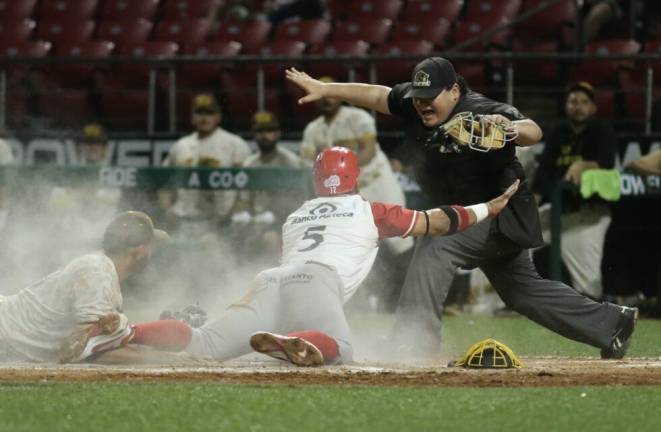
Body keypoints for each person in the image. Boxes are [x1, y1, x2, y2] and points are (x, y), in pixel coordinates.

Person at [285, 57, 638, 361]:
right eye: (418, 96)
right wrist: (326, 88)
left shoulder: (481, 109)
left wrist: (508, 128)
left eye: (430, 97)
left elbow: (534, 131)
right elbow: (379, 95)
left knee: (436, 242)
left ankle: (414, 341)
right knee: (522, 291)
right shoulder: (416, 101)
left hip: (501, 212)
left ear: (454, 90)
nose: (422, 104)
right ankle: (612, 323)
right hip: (472, 213)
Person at [130, 147, 520, 366]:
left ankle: (124, 332)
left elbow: (288, 271)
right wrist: (488, 208)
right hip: (316, 280)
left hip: (269, 280)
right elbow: (437, 222)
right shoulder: (371, 210)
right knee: (340, 347)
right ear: (355, 176)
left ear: (317, 179)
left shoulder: (296, 215)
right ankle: (294, 341)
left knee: (205, 343)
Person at [0, 211, 169, 363]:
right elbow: (88, 350)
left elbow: (100, 344)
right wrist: (165, 359)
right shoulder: (97, 271)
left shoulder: (102, 270)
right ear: (139, 251)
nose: (151, 252)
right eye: (150, 246)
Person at [300, 76, 414, 259]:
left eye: (331, 95)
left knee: (398, 236)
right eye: (322, 96)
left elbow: (368, 152)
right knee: (354, 242)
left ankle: (410, 283)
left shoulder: (358, 117)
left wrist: (334, 168)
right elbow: (308, 164)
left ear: (339, 96)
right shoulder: (312, 130)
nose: (327, 100)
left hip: (377, 182)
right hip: (348, 194)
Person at [531, 82, 617, 299]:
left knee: (589, 289)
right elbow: (545, 171)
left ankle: (592, 314)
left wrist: (584, 165)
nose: (578, 107)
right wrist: (530, 205)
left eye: (584, 102)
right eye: (573, 101)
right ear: (566, 106)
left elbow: (606, 161)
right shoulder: (559, 131)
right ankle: (498, 301)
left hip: (589, 214)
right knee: (512, 235)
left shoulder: (602, 130)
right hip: (558, 211)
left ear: (593, 108)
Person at [231, 111, 305, 262]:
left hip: (283, 223)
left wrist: (276, 216)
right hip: (254, 220)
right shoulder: (249, 164)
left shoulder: (291, 163)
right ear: (254, 135)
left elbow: (300, 202)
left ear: (278, 133)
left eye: (269, 131)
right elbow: (243, 199)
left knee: (269, 239)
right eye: (260, 131)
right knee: (234, 233)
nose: (265, 136)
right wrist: (243, 214)